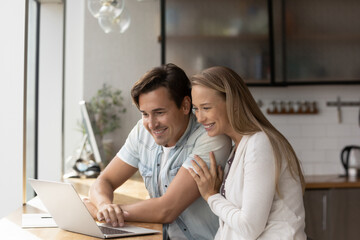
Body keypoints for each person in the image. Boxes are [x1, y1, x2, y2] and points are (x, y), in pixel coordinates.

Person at [86, 63, 232, 240]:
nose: (152, 124)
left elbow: (167, 209)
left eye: (159, 112)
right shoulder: (142, 131)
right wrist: (103, 206)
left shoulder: (211, 139)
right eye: (145, 114)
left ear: (186, 105)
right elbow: (104, 180)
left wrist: (97, 212)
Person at [187, 66, 307, 239]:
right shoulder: (239, 146)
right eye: (196, 109)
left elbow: (249, 228)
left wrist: (211, 196)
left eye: (206, 108)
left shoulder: (260, 143)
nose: (199, 118)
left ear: (233, 104)